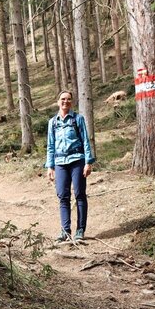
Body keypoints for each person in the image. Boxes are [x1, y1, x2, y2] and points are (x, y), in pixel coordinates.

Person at [45, 91, 95, 242]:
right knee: (62, 196)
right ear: (58, 101)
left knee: (79, 194)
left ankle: (80, 230)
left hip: (77, 160)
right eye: (62, 99)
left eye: (68, 99)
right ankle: (65, 231)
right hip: (60, 163)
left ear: (71, 102)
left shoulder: (78, 119)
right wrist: (50, 166)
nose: (65, 101)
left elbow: (86, 141)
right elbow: (50, 145)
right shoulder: (52, 122)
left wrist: (88, 162)